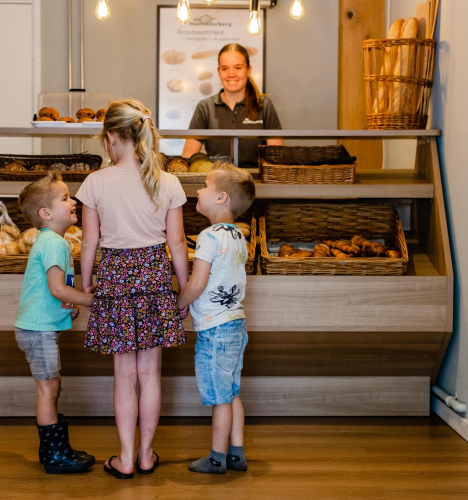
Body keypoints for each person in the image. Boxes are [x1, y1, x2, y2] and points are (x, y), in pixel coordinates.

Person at [77, 99, 189, 479]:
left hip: (115, 277)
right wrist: (184, 290)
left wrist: (88, 280)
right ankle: (145, 455)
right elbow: (177, 244)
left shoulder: (95, 182)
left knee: (123, 375)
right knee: (150, 374)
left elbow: (89, 243)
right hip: (156, 277)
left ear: (111, 137)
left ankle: (124, 458)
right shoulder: (167, 182)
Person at [14, 171, 97, 474]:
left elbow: (55, 292)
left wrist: (67, 307)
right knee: (48, 389)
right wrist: (91, 301)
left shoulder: (55, 242)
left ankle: (56, 448)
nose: (73, 201)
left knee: (52, 385)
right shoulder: (54, 243)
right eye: (65, 198)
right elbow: (57, 288)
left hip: (39, 326)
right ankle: (54, 455)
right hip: (38, 329)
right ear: (45, 213)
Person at [177, 164, 255, 474]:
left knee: (220, 398)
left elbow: (197, 283)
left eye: (205, 186)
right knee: (233, 392)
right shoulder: (238, 236)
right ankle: (236, 453)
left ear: (221, 197)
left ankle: (216, 458)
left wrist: (179, 304)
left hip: (216, 329)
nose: (198, 190)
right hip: (236, 324)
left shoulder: (209, 236)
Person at [182, 43, 284, 168]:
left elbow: (277, 160)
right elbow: (188, 156)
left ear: (249, 70)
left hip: (255, 183)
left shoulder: (264, 106)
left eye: (238, 67)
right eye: (224, 68)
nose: (231, 74)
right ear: (218, 72)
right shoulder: (205, 107)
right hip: (216, 183)